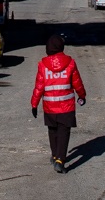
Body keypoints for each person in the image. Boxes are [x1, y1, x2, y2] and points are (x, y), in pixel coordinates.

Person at [30, 34, 87, 174]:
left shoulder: (43, 65)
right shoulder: (70, 63)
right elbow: (77, 83)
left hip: (50, 106)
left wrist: (34, 104)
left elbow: (39, 87)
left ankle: (55, 155)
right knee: (64, 131)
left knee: (52, 130)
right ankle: (60, 160)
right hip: (66, 106)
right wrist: (82, 95)